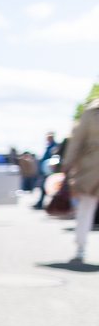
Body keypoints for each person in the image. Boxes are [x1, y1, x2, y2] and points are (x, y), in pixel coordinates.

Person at [64, 100, 99, 261]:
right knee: (86, 207)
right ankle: (80, 246)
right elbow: (77, 139)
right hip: (91, 166)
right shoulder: (91, 111)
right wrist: (68, 163)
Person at [35, 132, 60, 208]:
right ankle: (41, 203)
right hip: (46, 170)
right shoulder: (49, 146)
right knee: (45, 187)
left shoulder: (54, 146)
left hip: (50, 170)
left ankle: (42, 204)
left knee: (48, 187)